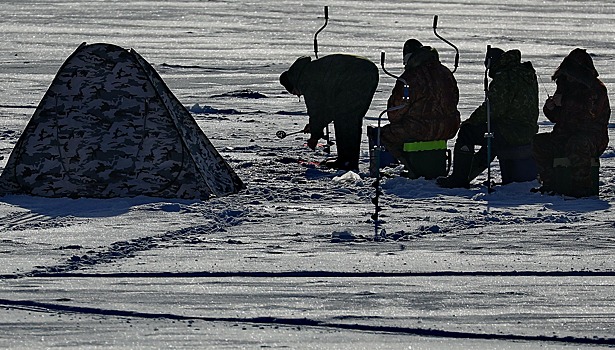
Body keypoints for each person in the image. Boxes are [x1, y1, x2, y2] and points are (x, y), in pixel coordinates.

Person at [437, 47, 539, 188]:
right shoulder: (524, 74)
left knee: (468, 132)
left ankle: (458, 178)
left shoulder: (505, 77)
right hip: (526, 129)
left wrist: (471, 121)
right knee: (490, 140)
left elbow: (493, 108)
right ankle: (468, 174)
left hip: (510, 131)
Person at [532, 48, 610, 197]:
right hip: (565, 134)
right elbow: (557, 117)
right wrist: (551, 108)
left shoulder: (596, 89)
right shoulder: (564, 87)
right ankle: (550, 183)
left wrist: (565, 102)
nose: (569, 77)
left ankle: (582, 187)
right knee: (539, 142)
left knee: (577, 144)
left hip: (593, 137)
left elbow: (590, 114)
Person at [279, 54, 379, 171]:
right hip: (367, 72)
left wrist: (314, 137)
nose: (299, 95)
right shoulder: (309, 71)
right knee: (348, 117)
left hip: (356, 76)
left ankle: (347, 162)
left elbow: (317, 110)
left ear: (294, 86)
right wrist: (316, 126)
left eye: (296, 93)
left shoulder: (306, 79)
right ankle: (347, 160)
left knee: (346, 119)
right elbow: (329, 108)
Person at [380, 39, 460, 166]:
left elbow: (394, 113)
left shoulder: (410, 77)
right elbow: (455, 98)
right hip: (449, 127)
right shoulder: (445, 72)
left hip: (419, 129)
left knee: (384, 134)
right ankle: (431, 164)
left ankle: (410, 166)